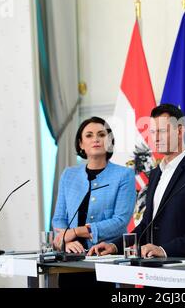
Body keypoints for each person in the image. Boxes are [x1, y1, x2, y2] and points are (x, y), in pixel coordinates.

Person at [89, 104, 185, 259]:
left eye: (162, 131)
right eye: (152, 132)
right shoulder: (157, 172)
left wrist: (164, 250)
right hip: (154, 267)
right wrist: (115, 245)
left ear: (180, 131)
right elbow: (146, 225)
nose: (156, 138)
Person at [52, 116, 135, 287]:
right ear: (81, 144)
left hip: (106, 259)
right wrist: (67, 241)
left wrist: (75, 231)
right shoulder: (69, 175)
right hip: (71, 260)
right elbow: (59, 218)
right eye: (89, 135)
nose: (96, 139)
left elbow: (120, 222)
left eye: (101, 134)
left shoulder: (124, 175)